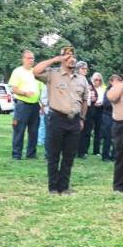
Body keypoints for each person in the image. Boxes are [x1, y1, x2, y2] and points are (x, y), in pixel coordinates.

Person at [33, 47, 89, 195]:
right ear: (62, 58)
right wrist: (54, 60)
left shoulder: (81, 79)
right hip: (57, 118)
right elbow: (36, 71)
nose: (71, 59)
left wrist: (82, 118)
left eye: (73, 56)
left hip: (74, 120)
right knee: (54, 155)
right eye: (67, 56)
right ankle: (53, 187)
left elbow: (84, 100)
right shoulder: (53, 74)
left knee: (69, 155)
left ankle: (64, 187)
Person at [9, 50, 42, 160]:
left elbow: (41, 89)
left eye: (32, 58)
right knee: (19, 130)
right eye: (28, 58)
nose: (31, 60)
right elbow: (14, 89)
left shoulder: (36, 72)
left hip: (35, 105)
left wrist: (42, 104)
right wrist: (25, 93)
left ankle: (31, 153)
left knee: (34, 131)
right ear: (23, 59)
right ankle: (16, 154)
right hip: (22, 105)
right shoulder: (18, 71)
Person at [75, 62, 96, 159]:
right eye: (83, 69)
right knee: (78, 130)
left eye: (86, 69)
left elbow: (94, 93)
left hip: (88, 107)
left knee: (87, 130)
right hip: (78, 107)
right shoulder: (75, 79)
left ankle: (83, 151)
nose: (85, 70)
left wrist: (94, 97)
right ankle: (76, 151)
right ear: (78, 69)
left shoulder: (87, 80)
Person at [99, 74, 117, 162]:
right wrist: (114, 102)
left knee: (116, 137)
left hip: (116, 117)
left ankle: (114, 155)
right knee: (108, 137)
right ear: (110, 82)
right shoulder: (108, 91)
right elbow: (105, 104)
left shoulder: (119, 91)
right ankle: (105, 156)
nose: (117, 83)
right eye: (115, 81)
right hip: (107, 116)